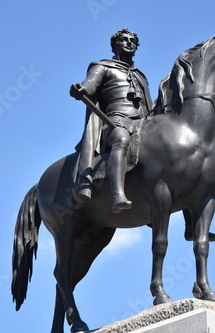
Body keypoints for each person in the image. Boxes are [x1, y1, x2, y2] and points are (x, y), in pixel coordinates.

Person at [70, 28, 152, 214]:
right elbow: (90, 84)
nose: (129, 42)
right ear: (114, 45)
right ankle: (118, 195)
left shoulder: (141, 76)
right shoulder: (102, 66)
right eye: (124, 39)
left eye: (133, 40)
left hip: (143, 123)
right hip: (115, 120)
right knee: (121, 140)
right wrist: (82, 89)